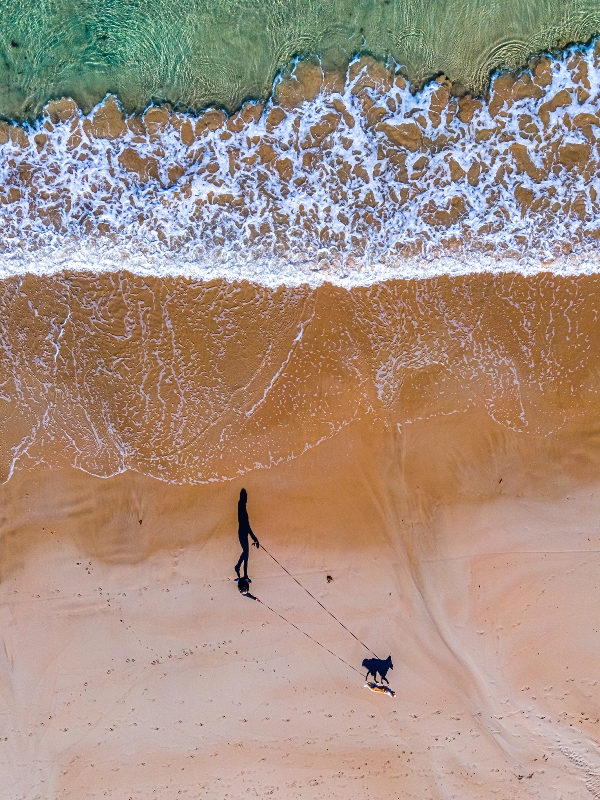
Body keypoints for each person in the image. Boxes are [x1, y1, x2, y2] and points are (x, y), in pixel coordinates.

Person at [235, 488, 259, 581]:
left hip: (242, 532)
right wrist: (254, 538)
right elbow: (247, 526)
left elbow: (247, 526)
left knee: (246, 552)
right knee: (246, 552)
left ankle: (241, 569)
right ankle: (240, 569)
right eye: (246, 497)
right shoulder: (242, 507)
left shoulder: (241, 505)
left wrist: (254, 538)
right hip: (243, 532)